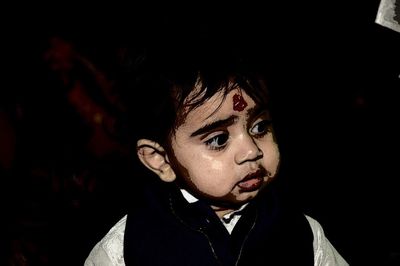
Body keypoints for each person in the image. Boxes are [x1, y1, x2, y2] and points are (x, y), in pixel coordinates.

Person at [83, 26, 349, 266]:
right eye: (219, 139)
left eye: (259, 127)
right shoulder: (126, 248)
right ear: (160, 160)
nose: (252, 151)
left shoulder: (301, 234)